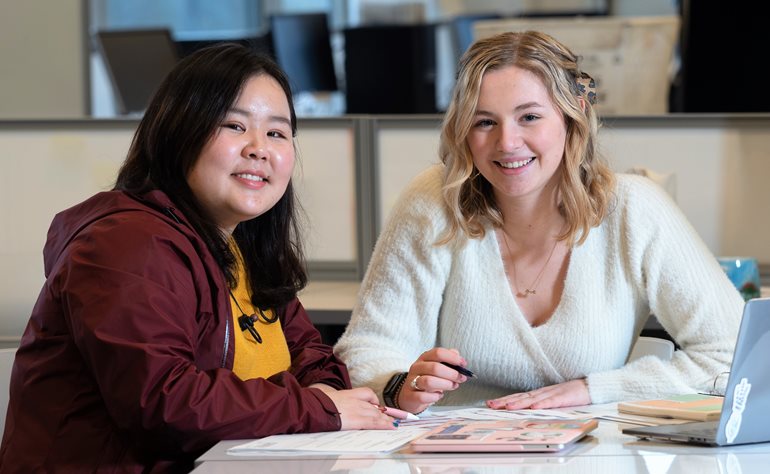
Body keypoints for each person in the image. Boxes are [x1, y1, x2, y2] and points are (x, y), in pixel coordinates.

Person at [0, 43, 394, 473]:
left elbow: (311, 359)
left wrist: (328, 399)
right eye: (234, 126)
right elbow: (163, 403)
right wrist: (318, 407)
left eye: (277, 133)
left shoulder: (239, 247)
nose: (259, 148)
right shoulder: (125, 244)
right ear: (179, 132)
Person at [334, 31, 744, 416]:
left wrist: (592, 390)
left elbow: (735, 356)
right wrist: (399, 385)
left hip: (593, 456)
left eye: (529, 117)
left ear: (572, 117)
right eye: (484, 121)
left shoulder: (634, 209)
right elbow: (367, 348)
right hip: (458, 454)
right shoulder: (436, 202)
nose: (507, 142)